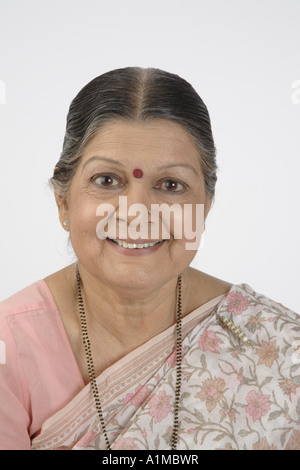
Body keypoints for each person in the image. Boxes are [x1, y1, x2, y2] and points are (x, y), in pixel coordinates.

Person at [0, 67, 299, 451]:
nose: (137, 212)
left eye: (170, 185)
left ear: (205, 206)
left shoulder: (279, 348)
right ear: (63, 201)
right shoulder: (9, 347)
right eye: (107, 180)